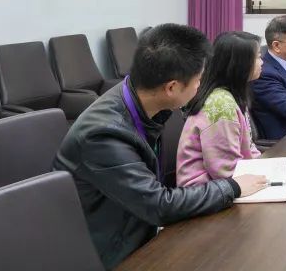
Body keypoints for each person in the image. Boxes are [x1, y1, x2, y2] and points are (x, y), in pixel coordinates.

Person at [54, 24, 267, 269]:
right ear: (172, 88)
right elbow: (158, 205)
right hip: (107, 249)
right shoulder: (103, 134)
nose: (201, 86)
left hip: (136, 226)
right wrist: (233, 187)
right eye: (198, 80)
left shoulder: (141, 100)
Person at [176, 32, 264, 187]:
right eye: (257, 57)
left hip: (226, 184)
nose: (262, 62)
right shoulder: (220, 104)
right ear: (241, 64)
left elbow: (249, 148)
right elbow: (224, 170)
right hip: (205, 192)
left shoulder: (232, 95)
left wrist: (267, 168)